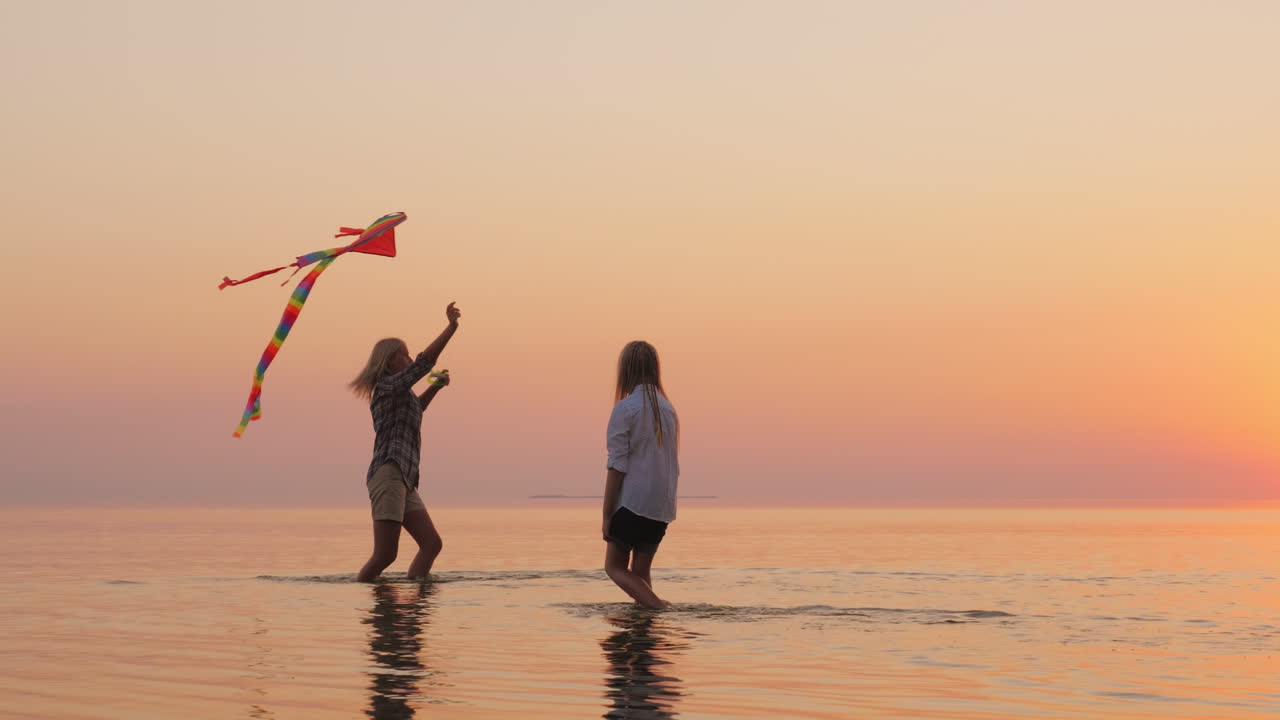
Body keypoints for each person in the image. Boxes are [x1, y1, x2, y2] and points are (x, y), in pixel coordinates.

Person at [351, 302, 461, 582]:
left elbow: (417, 410)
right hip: (388, 473)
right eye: (405, 355)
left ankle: (417, 598)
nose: (410, 360)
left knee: (432, 544)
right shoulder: (387, 387)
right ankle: (370, 601)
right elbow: (426, 362)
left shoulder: (403, 394)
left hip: (405, 477)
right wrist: (451, 328)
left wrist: (435, 387)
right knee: (385, 555)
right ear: (389, 361)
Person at [602, 340, 680, 609]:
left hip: (633, 502)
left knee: (614, 568)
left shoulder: (626, 408)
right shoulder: (668, 410)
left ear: (626, 370)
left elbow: (617, 465)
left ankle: (660, 610)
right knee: (641, 574)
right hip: (661, 504)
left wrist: (606, 515)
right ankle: (644, 638)